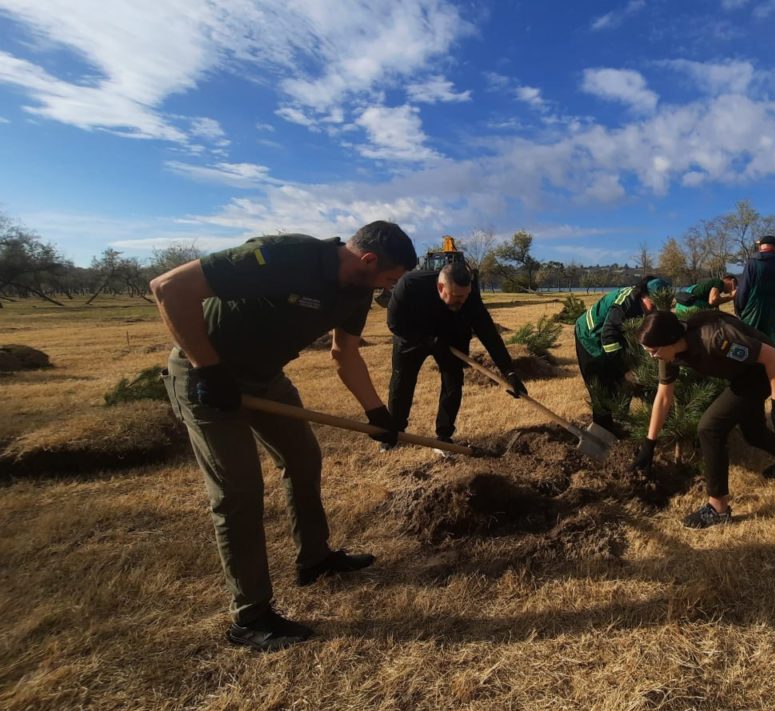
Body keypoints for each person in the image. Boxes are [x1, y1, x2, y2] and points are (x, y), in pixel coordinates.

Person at [151, 221, 417, 651]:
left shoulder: (356, 291)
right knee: (239, 494)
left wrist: (377, 412)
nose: (390, 289)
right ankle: (251, 617)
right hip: (206, 379)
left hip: (265, 379)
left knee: (304, 459)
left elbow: (344, 354)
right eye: (390, 279)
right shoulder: (288, 256)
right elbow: (168, 287)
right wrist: (209, 369)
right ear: (368, 261)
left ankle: (315, 559)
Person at [630, 310, 775, 529]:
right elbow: (664, 396)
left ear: (669, 341)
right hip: (740, 375)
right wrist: (649, 443)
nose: (651, 356)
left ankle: (718, 509)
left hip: (759, 373)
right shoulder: (668, 351)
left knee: (710, 428)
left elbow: (772, 356)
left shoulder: (714, 338)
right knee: (753, 432)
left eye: (653, 351)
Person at [384, 261, 527, 451]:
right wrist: (428, 341)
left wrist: (509, 372)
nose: (463, 301)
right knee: (402, 381)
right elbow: (395, 324)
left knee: (453, 382)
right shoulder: (410, 285)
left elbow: (489, 334)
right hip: (412, 335)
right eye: (457, 296)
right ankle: (393, 434)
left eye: (466, 296)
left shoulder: (469, 296)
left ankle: (443, 437)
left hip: (452, 333)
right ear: (441, 287)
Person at [574, 275, 671, 435]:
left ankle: (619, 421)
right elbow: (609, 337)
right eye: (653, 305)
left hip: (613, 338)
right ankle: (602, 431)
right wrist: (626, 369)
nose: (655, 311)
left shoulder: (645, 306)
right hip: (590, 336)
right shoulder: (625, 304)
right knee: (600, 385)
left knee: (622, 384)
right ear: (643, 295)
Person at [733, 235, 775, 343]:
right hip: (772, 312)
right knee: (770, 344)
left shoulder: (752, 263)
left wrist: (739, 309)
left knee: (748, 344)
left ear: (760, 247)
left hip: (751, 311)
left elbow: (743, 290)